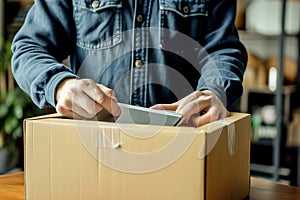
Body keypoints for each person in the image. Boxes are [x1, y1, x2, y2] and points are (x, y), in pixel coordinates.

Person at [11, 0, 247, 127]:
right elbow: (29, 47)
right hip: (92, 152)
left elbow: (223, 47)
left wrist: (214, 90)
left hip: (183, 149)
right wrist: (59, 84)